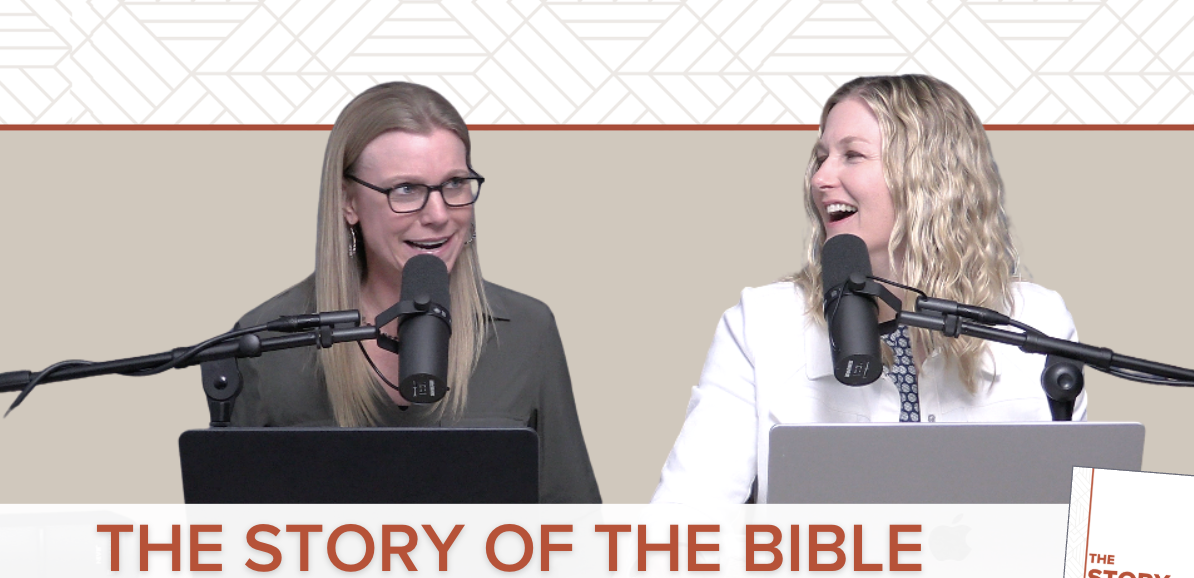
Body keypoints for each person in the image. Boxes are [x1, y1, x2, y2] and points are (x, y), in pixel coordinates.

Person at [652, 74, 1087, 504]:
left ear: (930, 177)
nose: (820, 178)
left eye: (852, 155)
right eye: (821, 158)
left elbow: (1080, 528)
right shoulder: (762, 323)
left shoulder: (1039, 322)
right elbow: (682, 522)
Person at [227, 82, 600, 503]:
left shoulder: (526, 332)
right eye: (405, 189)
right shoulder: (266, 342)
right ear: (349, 202)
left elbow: (575, 520)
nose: (439, 214)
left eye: (455, 183)